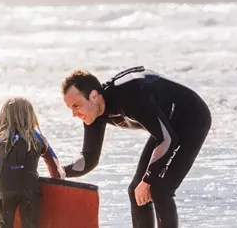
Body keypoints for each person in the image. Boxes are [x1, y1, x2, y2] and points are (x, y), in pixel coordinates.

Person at [60, 66, 212, 228]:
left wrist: (147, 180)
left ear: (94, 96)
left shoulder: (130, 97)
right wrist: (61, 172)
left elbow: (167, 140)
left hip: (192, 117)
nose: (74, 115)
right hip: (165, 129)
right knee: (136, 191)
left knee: (160, 190)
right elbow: (89, 159)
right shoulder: (93, 114)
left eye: (76, 106)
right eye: (71, 109)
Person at [0, 97, 63, 228]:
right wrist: (57, 179)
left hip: (5, 190)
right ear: (30, 115)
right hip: (30, 189)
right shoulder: (37, 138)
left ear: (4, 116)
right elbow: (53, 163)